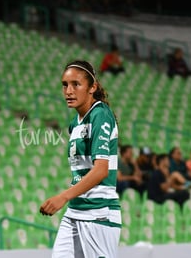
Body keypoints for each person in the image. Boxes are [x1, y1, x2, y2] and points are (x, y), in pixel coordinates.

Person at [40, 60, 121, 258]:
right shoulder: (74, 124)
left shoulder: (100, 114)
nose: (68, 90)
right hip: (75, 212)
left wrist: (63, 196)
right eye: (65, 85)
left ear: (92, 87)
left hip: (98, 213)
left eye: (76, 84)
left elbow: (101, 170)